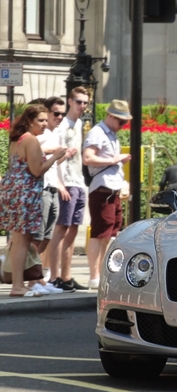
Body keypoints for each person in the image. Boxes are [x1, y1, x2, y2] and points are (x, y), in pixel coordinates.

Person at [0, 105, 68, 297]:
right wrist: (55, 156)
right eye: (41, 120)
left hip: (13, 193)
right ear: (30, 121)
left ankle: (18, 284)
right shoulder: (31, 140)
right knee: (22, 241)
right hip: (25, 194)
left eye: (46, 120)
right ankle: (18, 286)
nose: (45, 123)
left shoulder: (18, 139)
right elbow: (37, 170)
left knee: (19, 240)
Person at [82, 99, 133, 290]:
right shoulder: (98, 132)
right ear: (110, 116)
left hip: (111, 189)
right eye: (121, 121)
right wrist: (114, 159)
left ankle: (102, 273)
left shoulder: (110, 134)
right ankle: (95, 276)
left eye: (124, 122)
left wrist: (117, 163)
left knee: (109, 233)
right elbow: (88, 158)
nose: (123, 126)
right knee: (100, 233)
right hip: (102, 189)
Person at [47, 86, 90, 292]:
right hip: (66, 182)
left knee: (73, 229)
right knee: (61, 229)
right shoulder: (62, 125)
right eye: (79, 101)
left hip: (79, 181)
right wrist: (60, 183)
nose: (82, 106)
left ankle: (66, 275)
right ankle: (54, 275)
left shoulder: (79, 123)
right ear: (70, 101)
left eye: (85, 102)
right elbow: (56, 158)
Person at [35, 97, 78, 283]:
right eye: (56, 113)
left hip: (52, 186)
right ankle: (32, 280)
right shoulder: (42, 135)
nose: (59, 117)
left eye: (62, 113)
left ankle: (37, 278)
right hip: (43, 188)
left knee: (46, 237)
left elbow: (53, 163)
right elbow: (36, 151)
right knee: (38, 237)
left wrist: (64, 156)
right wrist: (55, 151)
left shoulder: (54, 134)